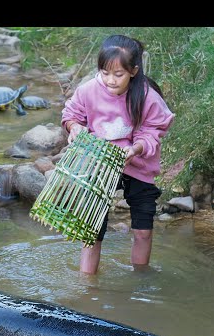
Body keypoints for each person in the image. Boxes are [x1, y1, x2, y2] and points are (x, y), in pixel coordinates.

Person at [61, 34, 175, 274]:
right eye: (105, 72)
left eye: (118, 74)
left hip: (138, 166)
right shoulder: (89, 91)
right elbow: (71, 115)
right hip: (98, 165)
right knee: (92, 231)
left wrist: (135, 149)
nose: (110, 81)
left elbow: (153, 132)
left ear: (133, 71)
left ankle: (140, 280)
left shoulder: (147, 97)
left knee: (143, 231)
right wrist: (74, 127)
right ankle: (87, 285)